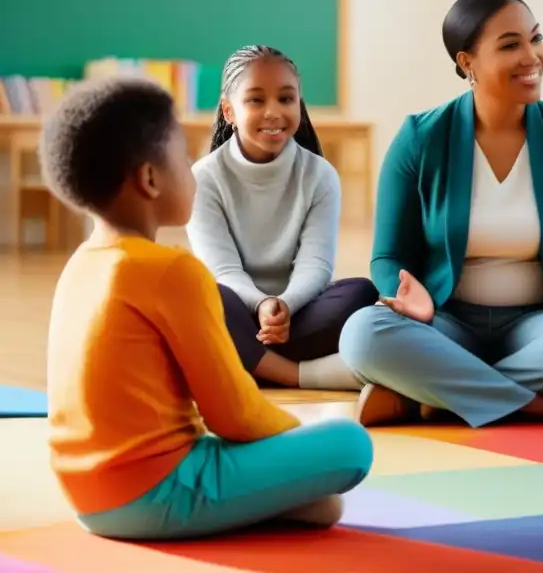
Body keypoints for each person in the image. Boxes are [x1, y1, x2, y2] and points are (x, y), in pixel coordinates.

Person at [40, 76, 373, 540]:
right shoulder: (173, 271)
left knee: (323, 506)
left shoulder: (79, 265)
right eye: (183, 156)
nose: (195, 167)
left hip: (87, 499)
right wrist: (298, 434)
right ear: (150, 179)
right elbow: (234, 415)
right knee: (349, 444)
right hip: (159, 491)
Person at [338, 0, 543, 428]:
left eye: (535, 39)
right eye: (510, 45)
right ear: (467, 63)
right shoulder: (419, 138)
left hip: (539, 324)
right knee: (363, 335)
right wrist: (410, 296)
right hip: (445, 323)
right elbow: (389, 255)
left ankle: (432, 400)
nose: (532, 56)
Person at [186, 45, 378, 390]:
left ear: (299, 106)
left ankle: (245, 362)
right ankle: (297, 374)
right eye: (256, 101)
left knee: (360, 293)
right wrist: (260, 303)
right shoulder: (204, 178)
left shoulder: (320, 175)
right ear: (229, 111)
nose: (273, 112)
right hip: (238, 309)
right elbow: (223, 270)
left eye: (286, 99)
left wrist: (284, 306)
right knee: (205, 299)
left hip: (296, 312)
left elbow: (316, 264)